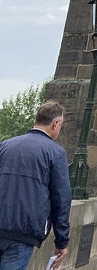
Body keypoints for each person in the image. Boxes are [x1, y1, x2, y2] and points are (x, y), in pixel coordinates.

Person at [0, 100, 71, 270]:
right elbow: (61, 199)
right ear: (55, 124)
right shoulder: (55, 153)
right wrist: (62, 242)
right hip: (23, 233)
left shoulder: (5, 146)